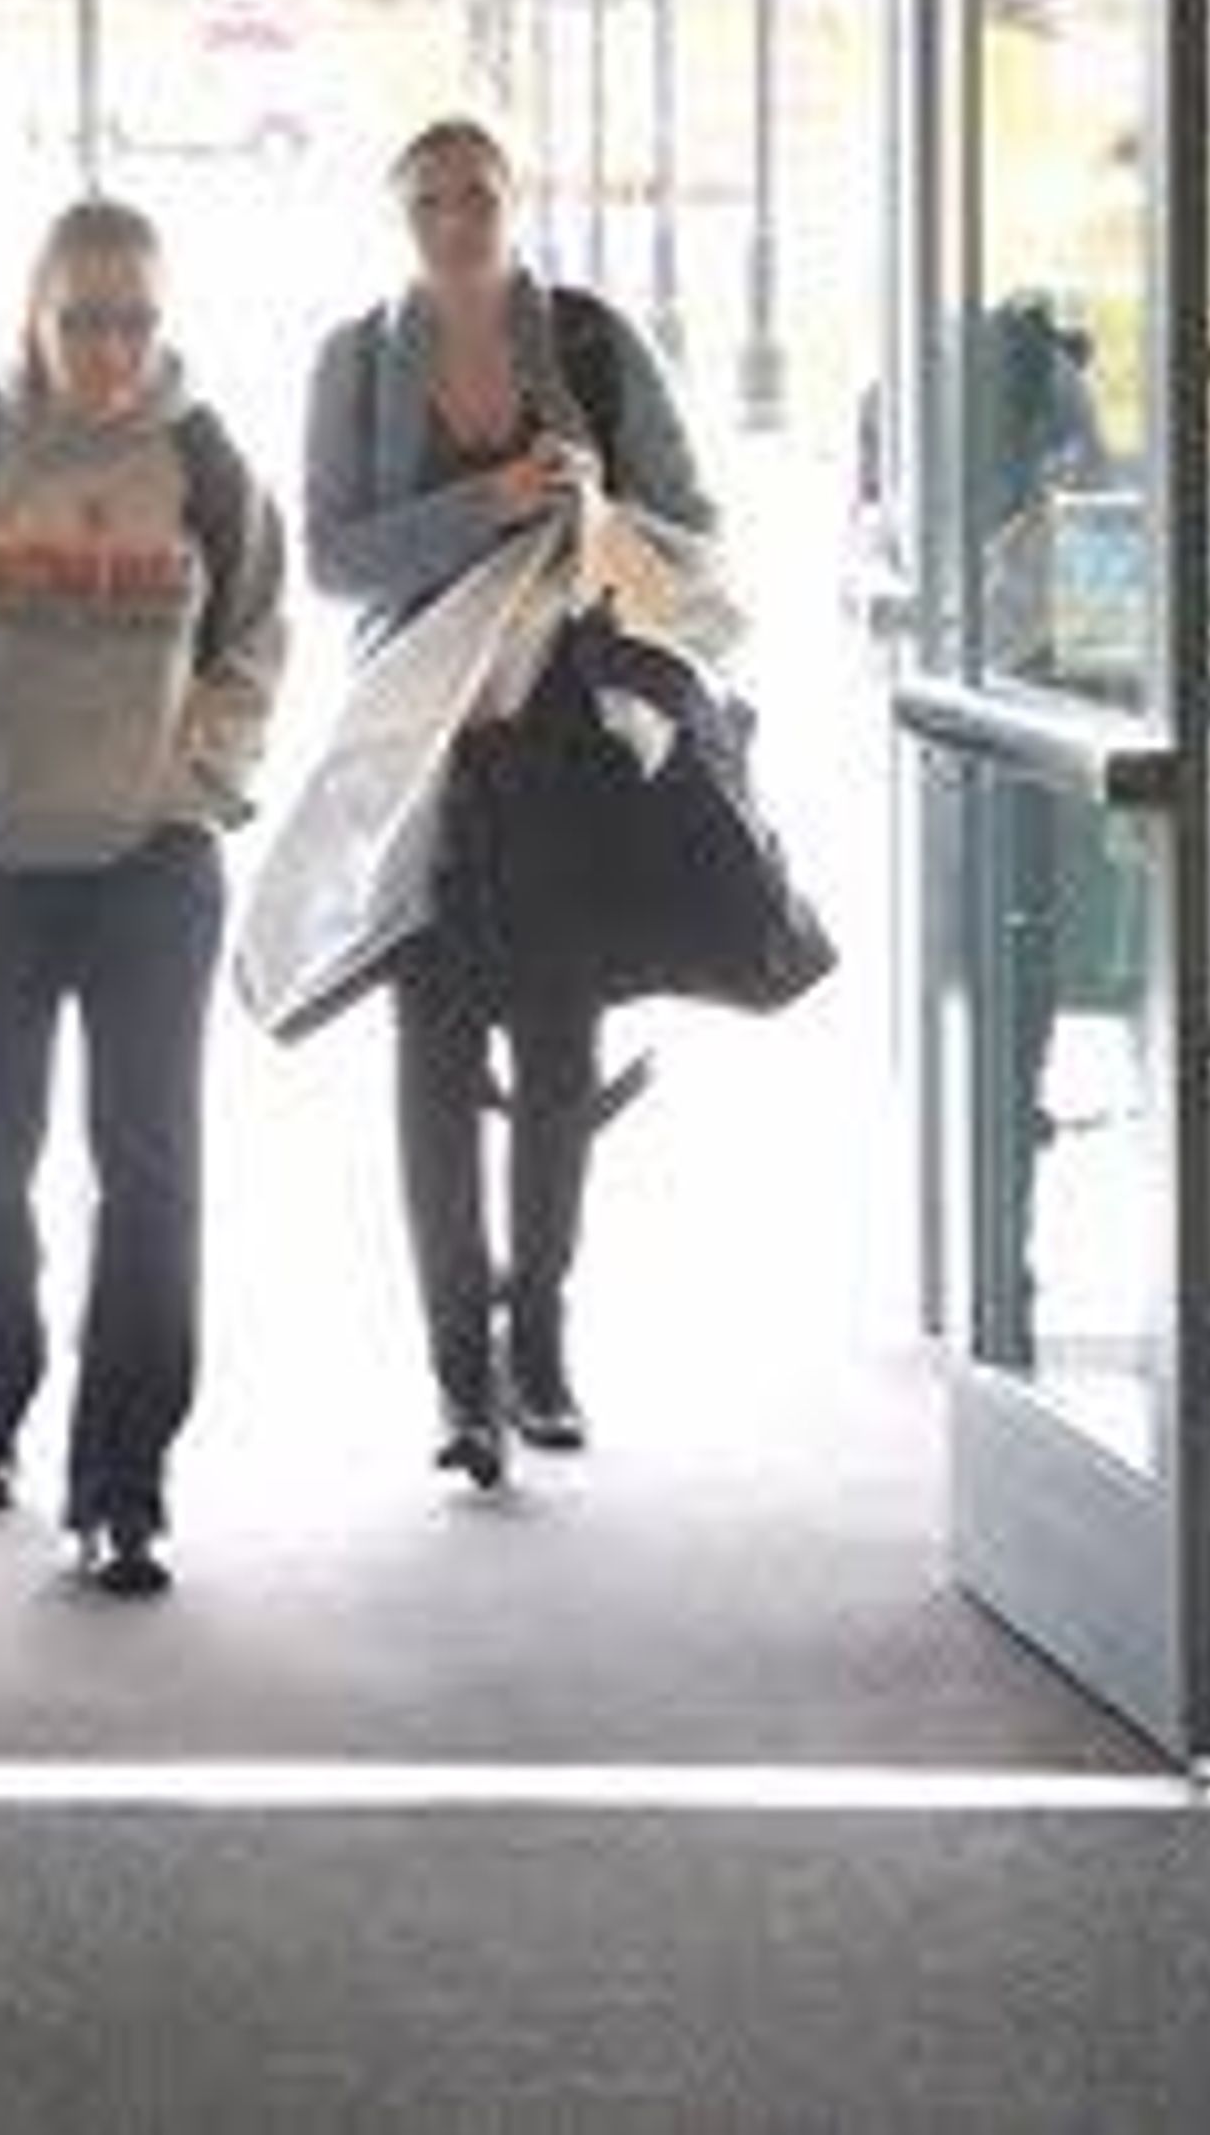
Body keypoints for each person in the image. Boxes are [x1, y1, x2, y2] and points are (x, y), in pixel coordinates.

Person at [0, 197, 283, 1601]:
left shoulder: (203, 460)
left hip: (151, 866)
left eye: (135, 317)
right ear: (35, 310)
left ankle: (124, 1483)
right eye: (84, 315)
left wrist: (195, 779)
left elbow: (258, 638)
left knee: (151, 1176)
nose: (110, 345)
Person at [301, 115, 714, 1486]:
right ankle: (456, 1375)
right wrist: (483, 502)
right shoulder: (356, 360)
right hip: (426, 758)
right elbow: (336, 558)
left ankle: (539, 1337)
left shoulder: (591, 342)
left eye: (476, 191)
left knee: (557, 1048)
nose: (456, 215)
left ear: (514, 200)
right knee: (428, 1059)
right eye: (429, 196)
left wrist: (594, 511)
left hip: (571, 751)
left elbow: (695, 533)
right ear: (397, 212)